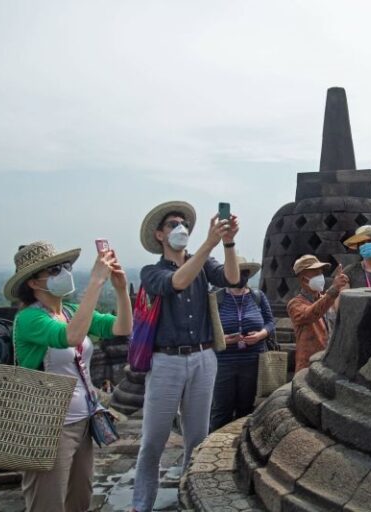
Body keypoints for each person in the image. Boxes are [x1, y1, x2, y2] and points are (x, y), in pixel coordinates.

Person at [3, 241, 132, 512]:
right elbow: (70, 337)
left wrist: (120, 289)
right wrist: (96, 282)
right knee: (47, 504)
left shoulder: (71, 312)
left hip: (83, 421)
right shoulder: (29, 319)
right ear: (33, 283)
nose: (63, 273)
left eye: (65, 267)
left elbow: (122, 327)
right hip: (47, 425)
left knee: (80, 500)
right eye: (53, 270)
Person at [132, 201, 240, 512]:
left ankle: (189, 496)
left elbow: (231, 277)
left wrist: (228, 241)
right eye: (173, 225)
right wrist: (209, 242)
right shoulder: (151, 271)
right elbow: (177, 282)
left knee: (198, 437)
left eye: (184, 225)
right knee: (153, 440)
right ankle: (141, 504)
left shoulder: (203, 263)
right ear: (159, 235)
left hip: (203, 357)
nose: (181, 229)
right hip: (166, 360)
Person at [209, 257, 275, 431]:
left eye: (244, 273)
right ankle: (212, 447)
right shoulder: (217, 298)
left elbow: (270, 322)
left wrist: (261, 335)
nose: (241, 276)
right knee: (221, 409)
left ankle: (239, 446)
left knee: (246, 408)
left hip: (252, 360)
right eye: (237, 272)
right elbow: (208, 329)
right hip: (224, 362)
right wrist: (223, 339)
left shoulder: (257, 297)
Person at [287, 255, 349, 372]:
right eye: (315, 273)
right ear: (303, 279)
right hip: (307, 366)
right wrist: (334, 289)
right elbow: (310, 314)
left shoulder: (328, 299)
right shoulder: (295, 304)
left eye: (321, 273)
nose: (320, 277)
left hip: (328, 363)